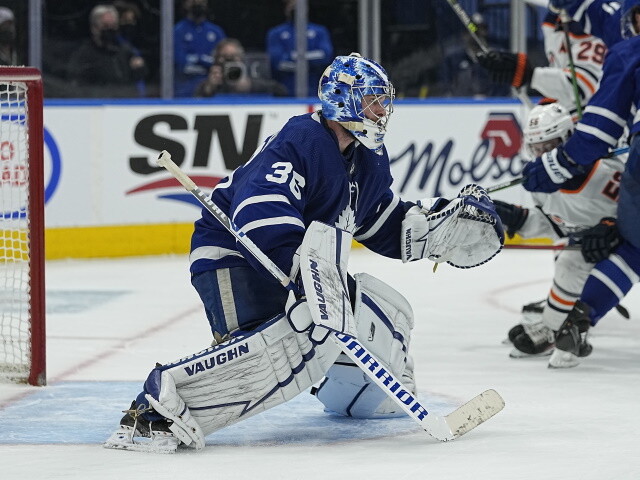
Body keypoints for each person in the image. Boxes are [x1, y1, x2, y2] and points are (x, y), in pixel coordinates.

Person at [103, 52, 504, 453]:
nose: (382, 110)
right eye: (372, 99)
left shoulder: (368, 158)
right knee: (290, 337)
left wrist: (431, 230)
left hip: (296, 263)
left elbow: (378, 221)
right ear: (341, 99)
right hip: (234, 254)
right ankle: (154, 412)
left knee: (385, 313)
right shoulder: (303, 140)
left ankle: (361, 396)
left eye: (384, 99)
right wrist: (304, 274)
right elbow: (261, 211)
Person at [519, 0, 640, 368]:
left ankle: (580, 315)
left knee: (634, 246)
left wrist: (556, 166)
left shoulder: (630, 50)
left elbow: (598, 129)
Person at [492, 103, 624, 360]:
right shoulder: (542, 182)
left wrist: (613, 228)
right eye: (536, 149)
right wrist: (519, 219)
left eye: (549, 147)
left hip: (630, 249)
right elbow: (556, 225)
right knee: (569, 261)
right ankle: (553, 329)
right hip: (596, 249)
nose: (542, 156)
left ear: (567, 139)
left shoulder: (608, 171)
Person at [476, 7, 607, 115]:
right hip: (571, 117)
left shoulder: (595, 19)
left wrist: (532, 76)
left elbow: (581, 87)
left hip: (595, 123)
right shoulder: (554, 17)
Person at [67, 4, 147, 98]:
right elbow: (75, 86)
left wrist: (139, 69)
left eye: (113, 26)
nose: (110, 30)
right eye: (105, 26)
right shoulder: (83, 55)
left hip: (124, 104)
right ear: (94, 28)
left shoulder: (125, 51)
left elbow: (139, 79)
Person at [266, 0, 333, 97]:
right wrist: (307, 62)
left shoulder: (319, 32)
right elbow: (278, 62)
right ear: (286, 8)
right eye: (291, 4)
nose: (295, 7)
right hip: (284, 91)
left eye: (298, 4)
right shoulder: (276, 33)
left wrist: (295, 57)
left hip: (316, 90)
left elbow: (326, 56)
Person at [194, 38, 288, 97]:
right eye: (224, 57)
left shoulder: (254, 80)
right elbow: (193, 101)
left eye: (234, 56)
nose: (230, 61)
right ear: (216, 60)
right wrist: (210, 88)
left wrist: (249, 86)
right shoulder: (211, 83)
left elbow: (281, 91)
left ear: (242, 59)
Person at [174, 0, 226, 97]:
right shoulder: (178, 31)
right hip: (185, 86)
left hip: (214, 86)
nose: (198, 3)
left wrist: (198, 60)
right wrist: (204, 60)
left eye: (201, 1)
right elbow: (180, 60)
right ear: (185, 4)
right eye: (193, 1)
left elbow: (222, 60)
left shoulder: (216, 32)